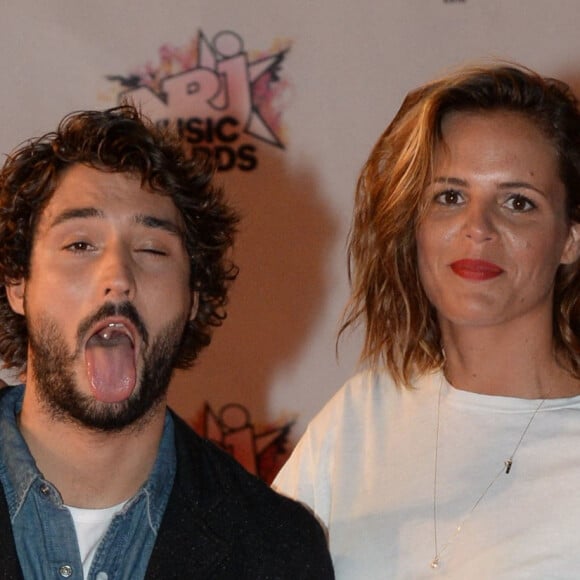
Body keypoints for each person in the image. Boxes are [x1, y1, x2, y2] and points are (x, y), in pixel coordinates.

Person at [0, 105, 334, 579]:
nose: (117, 277)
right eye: (80, 245)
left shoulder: (276, 549)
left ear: (194, 298)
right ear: (18, 283)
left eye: (152, 250)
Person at [273, 62, 580, 578]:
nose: (477, 227)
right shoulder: (359, 418)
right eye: (450, 196)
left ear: (570, 238)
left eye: (518, 202)